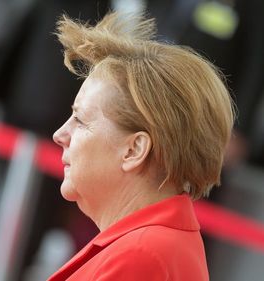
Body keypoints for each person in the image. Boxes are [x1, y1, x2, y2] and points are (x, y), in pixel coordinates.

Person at [48, 11, 234, 280]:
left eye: (80, 119)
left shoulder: (141, 256)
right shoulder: (148, 246)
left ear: (134, 150)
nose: (59, 134)